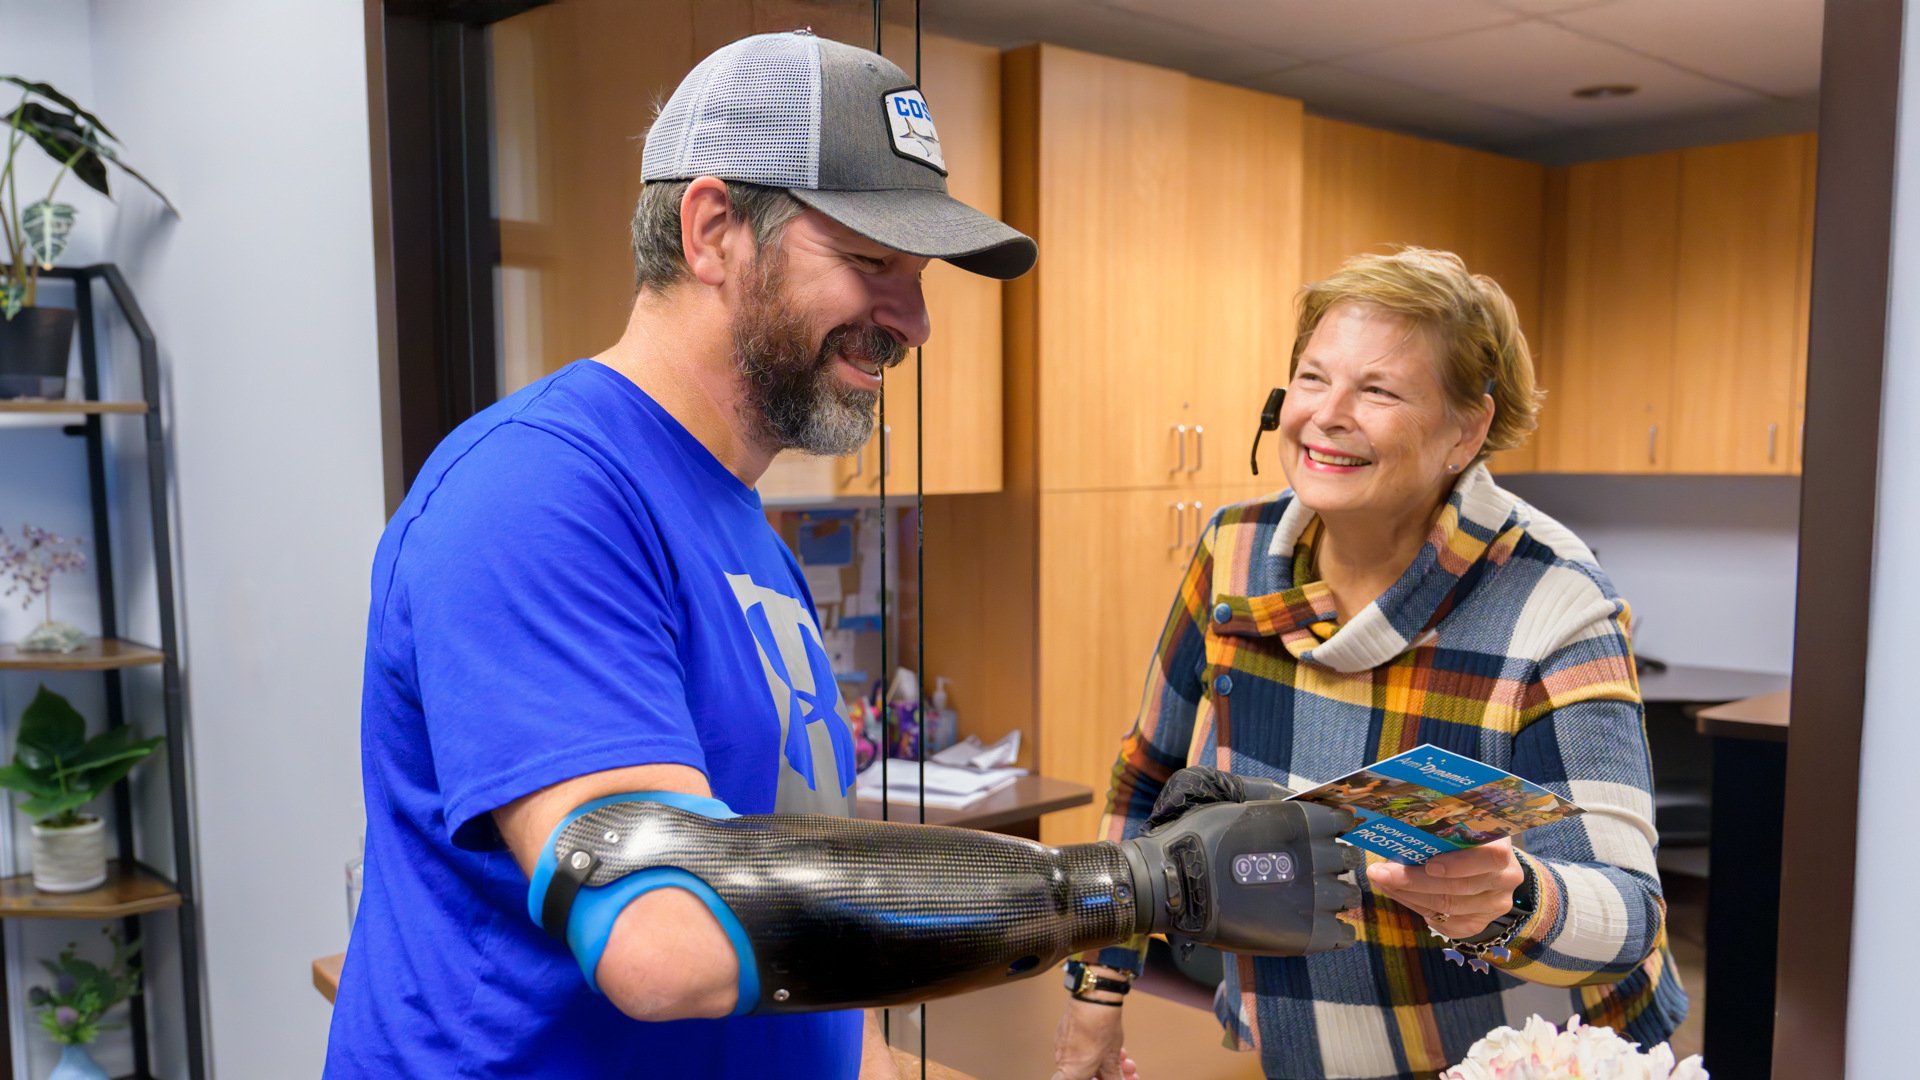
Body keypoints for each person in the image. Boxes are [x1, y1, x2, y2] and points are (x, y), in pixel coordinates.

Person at [324, 30, 1359, 1080]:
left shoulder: (745, 538)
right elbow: (663, 936)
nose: (912, 321)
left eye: (918, 275)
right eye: (869, 261)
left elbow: (815, 940)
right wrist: (1128, 886)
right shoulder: (538, 495)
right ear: (714, 229)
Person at [1052, 249, 1686, 1080]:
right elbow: (1144, 783)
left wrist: (1514, 895)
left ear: (1467, 429)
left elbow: (1630, 911)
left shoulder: (1553, 603)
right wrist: (1096, 998)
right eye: (1313, 378)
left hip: (1505, 1056)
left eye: (1379, 390)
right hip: (1289, 1038)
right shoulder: (1233, 551)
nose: (1327, 415)